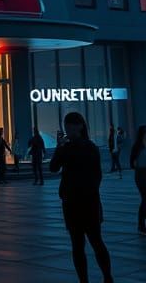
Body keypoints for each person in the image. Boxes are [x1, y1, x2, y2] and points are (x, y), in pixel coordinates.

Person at [51, 112, 115, 283]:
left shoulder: (89, 147)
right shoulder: (68, 147)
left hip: (86, 202)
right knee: (80, 244)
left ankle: (106, 277)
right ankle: (94, 279)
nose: (68, 128)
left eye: (71, 125)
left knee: (93, 242)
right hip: (75, 202)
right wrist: (59, 147)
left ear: (80, 126)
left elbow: (97, 176)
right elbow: (53, 167)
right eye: (66, 125)